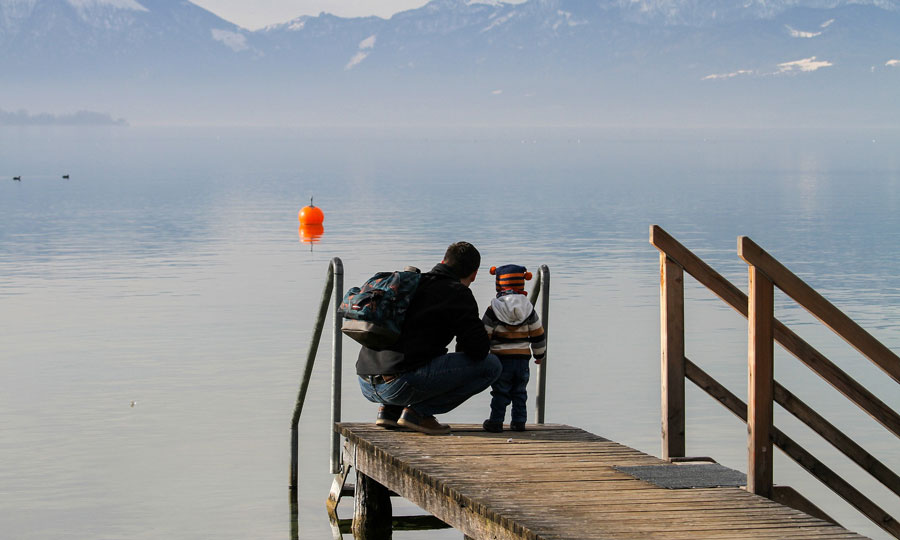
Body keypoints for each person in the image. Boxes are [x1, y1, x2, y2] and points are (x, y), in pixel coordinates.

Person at [356, 241, 502, 435]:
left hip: (365, 381)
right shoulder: (458, 294)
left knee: (414, 355)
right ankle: (418, 414)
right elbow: (479, 351)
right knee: (491, 366)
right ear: (474, 274)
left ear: (443, 261)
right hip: (399, 385)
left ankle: (389, 412)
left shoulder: (412, 283)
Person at [481, 264, 546, 433]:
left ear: (499, 284)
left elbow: (484, 334)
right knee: (520, 392)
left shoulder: (493, 309)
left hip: (500, 360)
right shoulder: (529, 309)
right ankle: (518, 422)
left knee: (500, 392)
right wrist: (539, 354)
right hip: (522, 360)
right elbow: (538, 334)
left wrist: (482, 354)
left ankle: (496, 422)